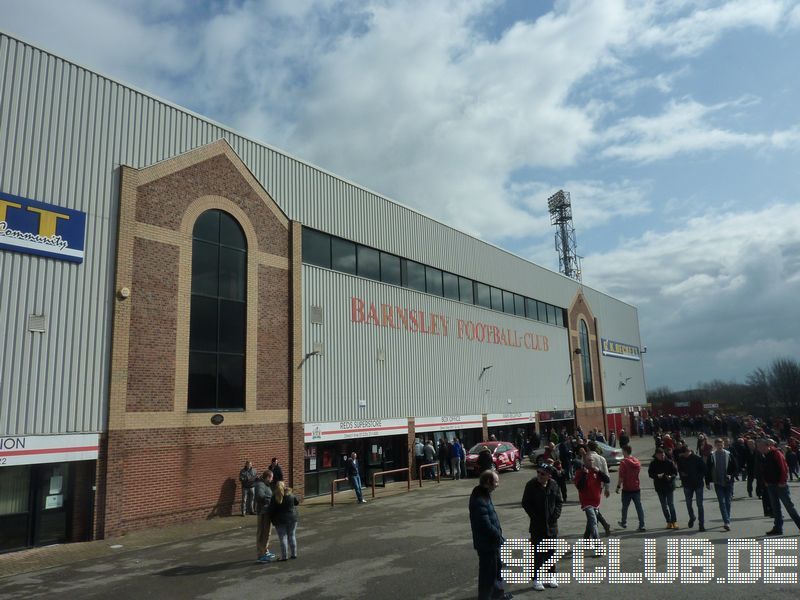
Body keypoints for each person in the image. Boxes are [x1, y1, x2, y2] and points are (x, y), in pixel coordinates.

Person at [469, 470, 512, 600]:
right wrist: (498, 536)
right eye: (496, 482)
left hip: (493, 543)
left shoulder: (484, 495)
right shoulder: (479, 499)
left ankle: (498, 595)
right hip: (487, 544)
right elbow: (485, 524)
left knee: (496, 570)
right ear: (488, 482)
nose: (497, 485)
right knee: (488, 574)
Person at [522, 463, 562, 591]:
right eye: (538, 472)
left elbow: (559, 501)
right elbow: (525, 503)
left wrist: (555, 515)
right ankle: (537, 579)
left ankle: (551, 577)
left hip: (551, 526)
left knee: (551, 553)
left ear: (549, 476)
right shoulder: (531, 485)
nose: (539, 475)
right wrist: (534, 516)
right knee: (538, 553)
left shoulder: (554, 485)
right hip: (537, 525)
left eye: (543, 473)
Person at [758, 438, 800, 536]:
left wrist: (782, 481)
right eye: (758, 447)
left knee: (789, 506)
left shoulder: (776, 453)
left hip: (780, 484)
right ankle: (778, 528)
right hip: (771, 485)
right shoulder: (764, 455)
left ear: (767, 445)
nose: (759, 449)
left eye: (761, 446)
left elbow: (784, 467)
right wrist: (766, 481)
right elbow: (763, 469)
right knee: (775, 508)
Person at [575, 453, 609, 550]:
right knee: (593, 522)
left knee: (592, 522)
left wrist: (599, 472)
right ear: (584, 461)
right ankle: (598, 547)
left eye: (592, 460)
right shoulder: (580, 472)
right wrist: (584, 474)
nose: (591, 462)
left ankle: (586, 539)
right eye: (589, 460)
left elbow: (607, 479)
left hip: (596, 502)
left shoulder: (596, 471)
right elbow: (580, 487)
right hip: (587, 502)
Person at [706, 438, 737, 531]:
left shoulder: (729, 454)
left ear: (723, 445)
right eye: (718, 445)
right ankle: (726, 521)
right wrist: (707, 482)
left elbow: (735, 467)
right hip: (718, 482)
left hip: (728, 482)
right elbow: (707, 469)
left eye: (721, 445)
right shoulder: (712, 455)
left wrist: (731, 475)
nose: (720, 446)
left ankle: (727, 519)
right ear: (715, 445)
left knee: (728, 502)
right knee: (722, 502)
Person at [615, 445, 646, 532]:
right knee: (639, 507)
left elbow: (621, 477)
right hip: (636, 487)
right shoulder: (636, 461)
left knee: (625, 507)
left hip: (627, 488)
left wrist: (618, 487)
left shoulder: (624, 463)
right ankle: (642, 524)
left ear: (625, 451)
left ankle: (624, 522)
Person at [677, 445, 706, 531]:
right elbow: (679, 470)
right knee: (688, 504)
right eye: (684, 452)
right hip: (687, 484)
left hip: (698, 484)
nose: (686, 454)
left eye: (688, 452)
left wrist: (698, 477)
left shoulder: (697, 458)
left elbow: (704, 469)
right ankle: (692, 517)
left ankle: (701, 524)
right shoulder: (681, 459)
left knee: (699, 504)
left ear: (690, 451)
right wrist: (682, 475)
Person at [587, 441, 613, 536]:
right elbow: (606, 473)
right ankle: (604, 526)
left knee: (591, 509)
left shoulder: (588, 458)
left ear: (589, 448)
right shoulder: (601, 458)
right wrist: (607, 488)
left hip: (590, 486)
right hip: (600, 485)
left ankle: (604, 525)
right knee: (593, 508)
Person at [649, 448, 679, 529]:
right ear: (656, 455)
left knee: (671, 504)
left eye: (663, 455)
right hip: (659, 487)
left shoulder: (669, 462)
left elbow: (675, 473)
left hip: (669, 486)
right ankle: (668, 521)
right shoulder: (653, 463)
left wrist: (671, 477)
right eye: (660, 455)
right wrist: (657, 476)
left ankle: (674, 521)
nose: (662, 456)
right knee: (664, 506)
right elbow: (650, 474)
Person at [271, 480, 300, 560]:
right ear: (284, 486)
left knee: (283, 538)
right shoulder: (290, 494)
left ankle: (284, 556)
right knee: (292, 536)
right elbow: (297, 503)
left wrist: (271, 518)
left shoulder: (275, 497)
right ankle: (294, 554)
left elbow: (271, 509)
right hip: (292, 518)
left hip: (280, 520)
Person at [253, 469, 276, 562]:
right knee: (262, 533)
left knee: (267, 533)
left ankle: (265, 550)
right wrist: (271, 499)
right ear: (268, 477)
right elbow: (259, 496)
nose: (272, 480)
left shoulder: (265, 485)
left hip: (267, 512)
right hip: (263, 513)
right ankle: (260, 555)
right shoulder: (260, 485)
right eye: (271, 478)